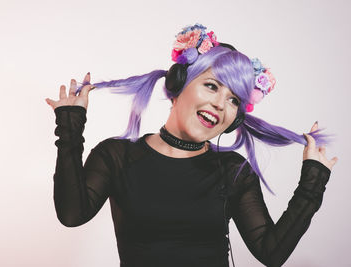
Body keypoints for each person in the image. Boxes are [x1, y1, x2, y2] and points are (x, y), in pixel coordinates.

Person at [45, 24, 337, 267]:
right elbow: (72, 214)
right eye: (211, 86)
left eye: (234, 99)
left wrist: (312, 183)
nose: (220, 104)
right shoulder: (117, 157)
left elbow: (271, 253)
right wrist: (70, 128)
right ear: (178, 84)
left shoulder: (233, 171)